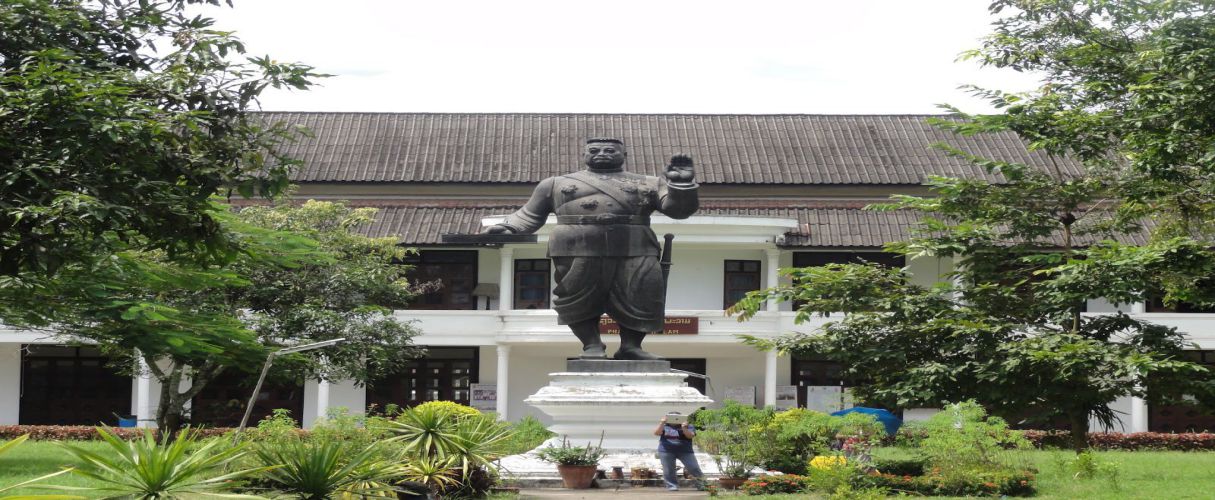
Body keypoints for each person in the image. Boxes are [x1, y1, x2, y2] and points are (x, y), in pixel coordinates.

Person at [484, 138, 698, 360]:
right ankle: (591, 345)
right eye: (594, 150)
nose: (602, 153)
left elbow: (679, 211)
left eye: (610, 150)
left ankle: (631, 346)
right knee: (577, 298)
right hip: (576, 246)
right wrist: (507, 227)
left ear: (624, 155)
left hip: (636, 245)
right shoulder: (554, 183)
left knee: (643, 294)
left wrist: (681, 185)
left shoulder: (650, 182)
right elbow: (528, 215)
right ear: (584, 155)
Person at [654, 412, 704, 491]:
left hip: (685, 451)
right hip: (666, 450)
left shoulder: (689, 426)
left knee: (694, 468)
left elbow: (690, 436)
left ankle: (702, 485)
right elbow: (657, 433)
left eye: (677, 417)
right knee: (668, 469)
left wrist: (684, 428)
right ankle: (672, 486)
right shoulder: (664, 426)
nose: (675, 419)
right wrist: (662, 423)